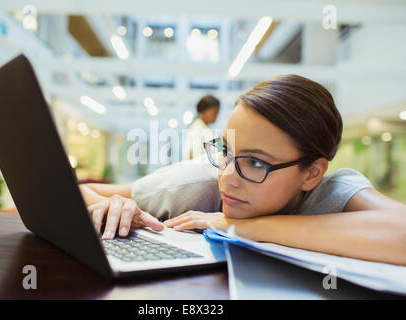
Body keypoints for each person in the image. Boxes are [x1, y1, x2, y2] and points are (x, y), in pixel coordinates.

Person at [79, 75, 406, 266]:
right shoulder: (197, 183)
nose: (228, 177)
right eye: (227, 150)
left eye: (257, 162)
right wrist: (104, 206)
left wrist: (241, 227)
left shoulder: (335, 192)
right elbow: (71, 190)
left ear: (312, 173)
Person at [184, 95, 220, 159]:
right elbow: (194, 154)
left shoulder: (204, 128)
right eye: (215, 112)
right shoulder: (197, 128)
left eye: (217, 113)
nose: (216, 116)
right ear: (204, 111)